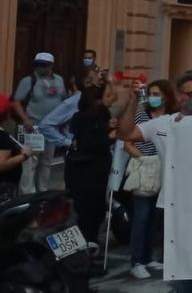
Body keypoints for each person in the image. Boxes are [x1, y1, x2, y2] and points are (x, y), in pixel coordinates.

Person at [116, 71, 192, 293]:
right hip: (174, 206)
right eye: (190, 94)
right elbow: (125, 133)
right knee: (180, 265)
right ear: (179, 95)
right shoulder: (163, 124)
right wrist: (133, 99)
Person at [124, 80, 173, 279]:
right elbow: (126, 141)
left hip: (166, 172)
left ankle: (148, 257)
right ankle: (136, 261)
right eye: (151, 93)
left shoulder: (172, 117)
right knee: (141, 217)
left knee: (155, 218)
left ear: (166, 97)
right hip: (146, 170)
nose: (153, 97)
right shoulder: (141, 115)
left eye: (157, 93)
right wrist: (144, 159)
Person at [64, 73, 116, 260]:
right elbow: (91, 143)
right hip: (86, 171)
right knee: (85, 209)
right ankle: (82, 248)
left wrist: (110, 82)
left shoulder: (102, 114)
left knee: (94, 209)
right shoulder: (82, 118)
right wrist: (110, 137)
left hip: (96, 170)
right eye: (104, 97)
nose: (108, 100)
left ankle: (90, 243)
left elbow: (113, 99)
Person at [12, 52, 67, 193]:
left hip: (52, 127)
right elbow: (16, 101)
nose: (40, 68)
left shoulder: (59, 80)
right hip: (34, 126)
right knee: (30, 161)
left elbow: (63, 99)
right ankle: (27, 193)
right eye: (38, 65)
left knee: (46, 161)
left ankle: (42, 191)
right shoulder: (28, 80)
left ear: (51, 66)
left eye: (44, 65)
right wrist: (25, 119)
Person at [0, 94, 31, 203]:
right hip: (4, 187)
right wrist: (24, 155)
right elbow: (2, 165)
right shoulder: (3, 138)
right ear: (6, 115)